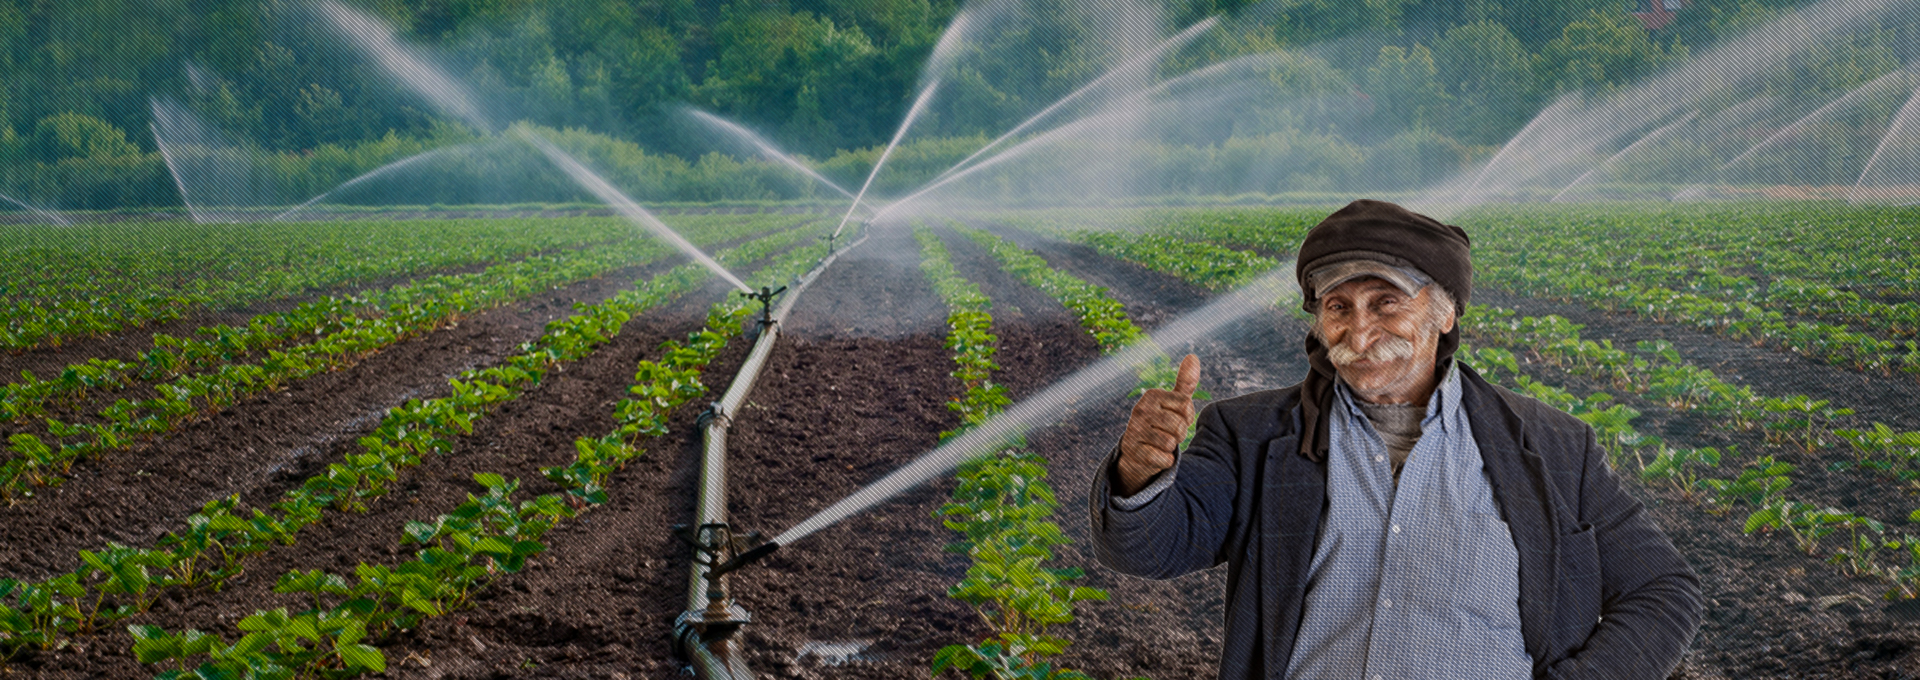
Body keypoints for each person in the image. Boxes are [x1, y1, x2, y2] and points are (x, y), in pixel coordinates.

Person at [1089, 199, 1702, 680]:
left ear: (1444, 312)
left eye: (1386, 302)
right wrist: (1140, 474)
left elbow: (1662, 590)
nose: (1359, 330)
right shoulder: (1250, 435)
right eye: (1338, 306)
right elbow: (1153, 550)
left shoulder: (1554, 446)